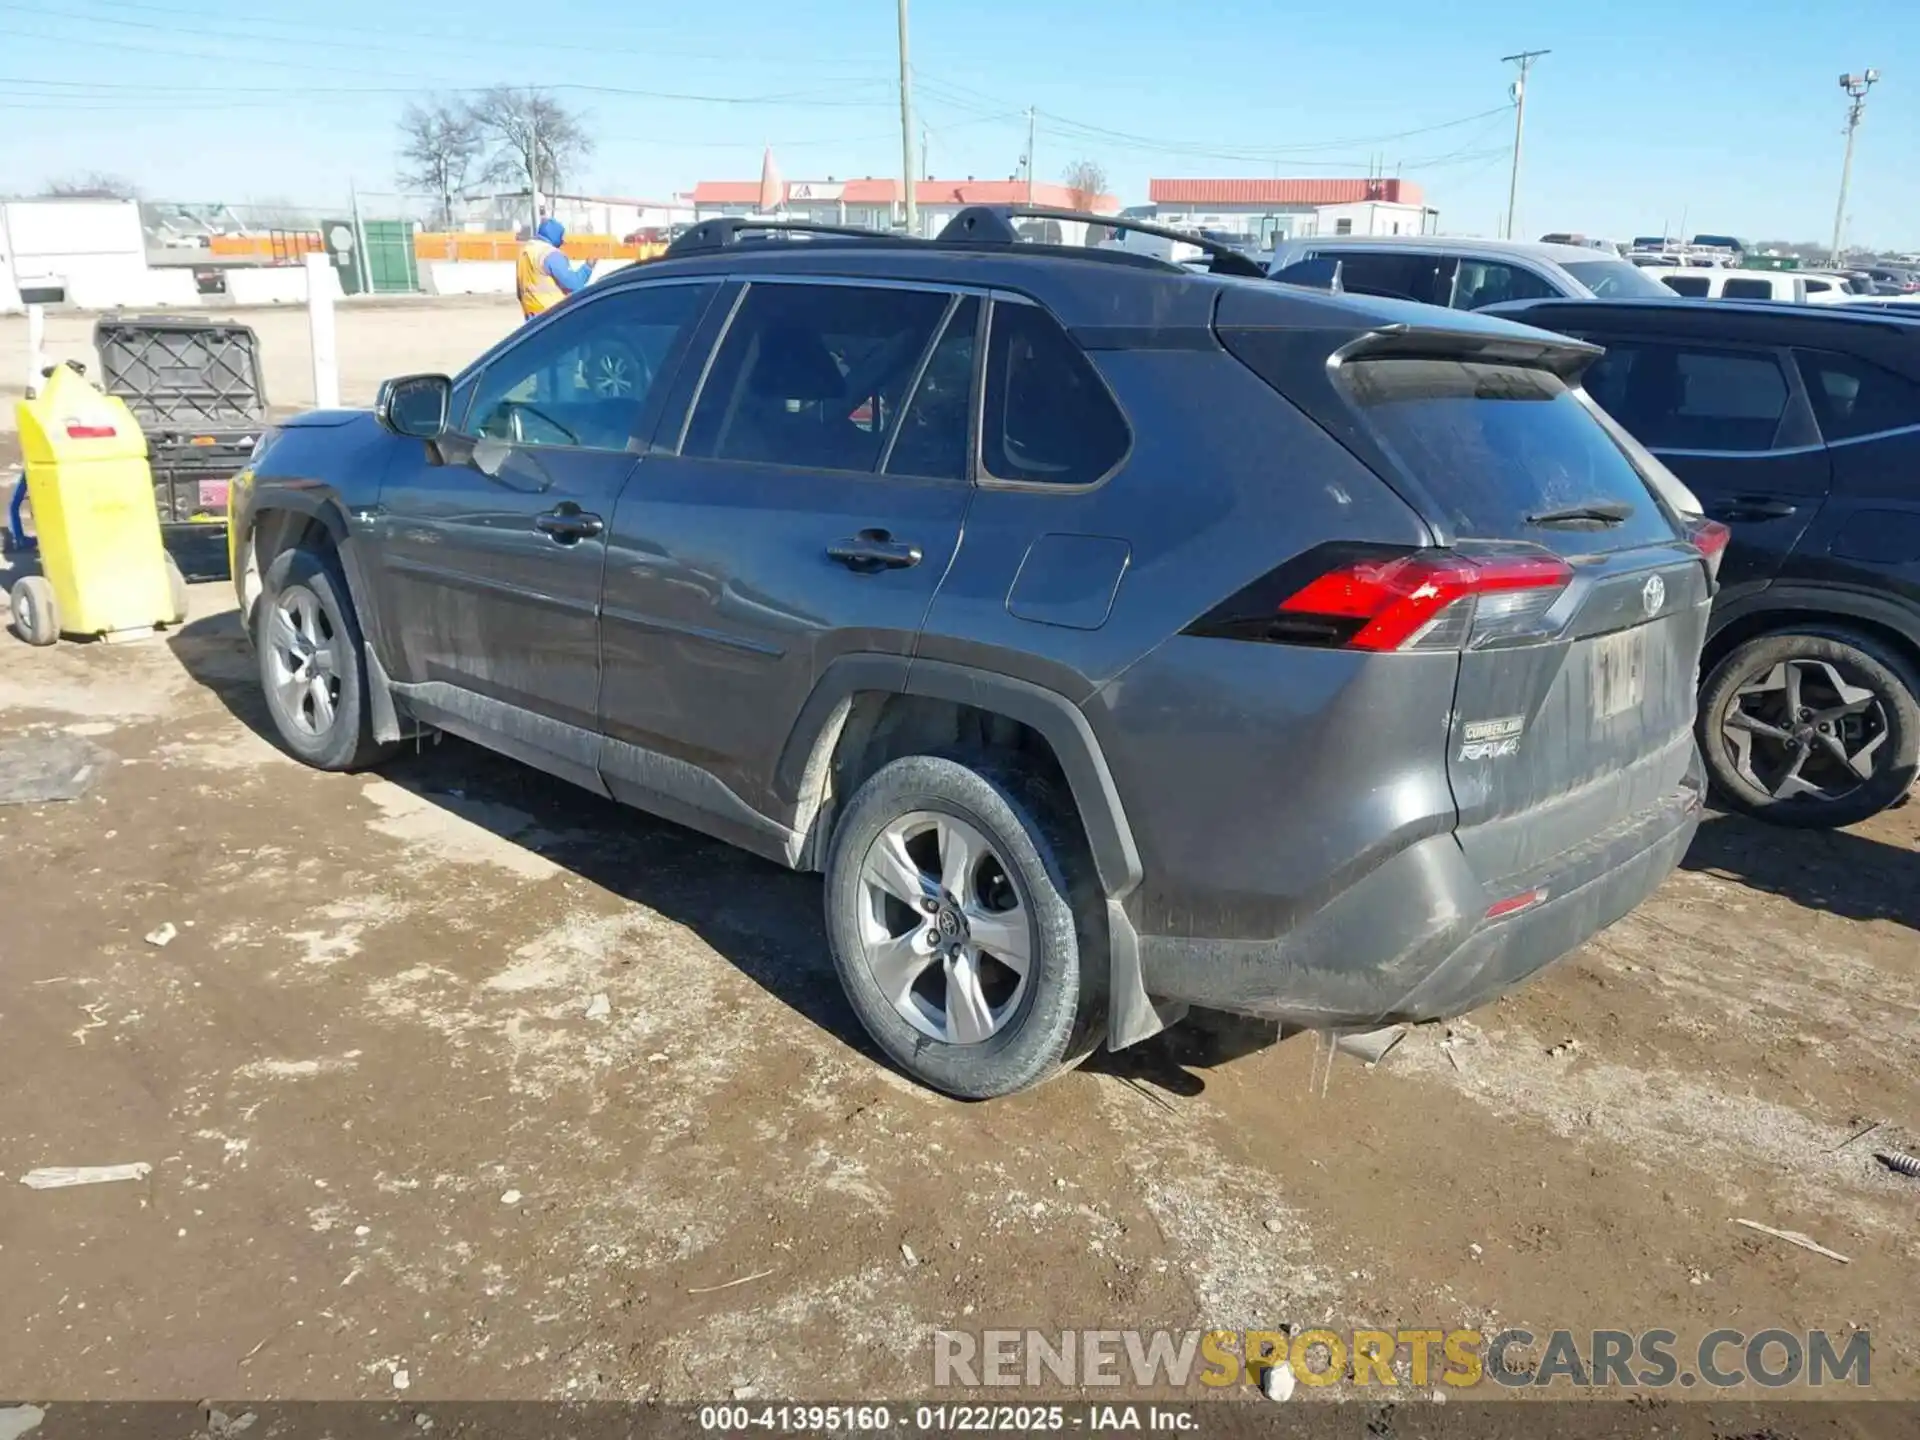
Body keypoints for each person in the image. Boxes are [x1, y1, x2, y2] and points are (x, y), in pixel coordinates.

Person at [516, 218, 593, 321]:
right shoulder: (550, 254)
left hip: (531, 318)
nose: (562, 241)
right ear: (555, 235)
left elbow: (519, 291)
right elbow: (574, 284)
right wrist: (588, 267)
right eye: (561, 236)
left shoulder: (525, 251)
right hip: (552, 317)